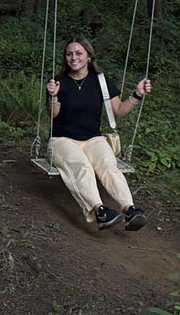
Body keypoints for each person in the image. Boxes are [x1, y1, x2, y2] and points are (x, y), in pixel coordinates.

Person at [46, 37, 152, 231]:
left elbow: (119, 110)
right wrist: (53, 96)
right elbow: (53, 115)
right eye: (69, 54)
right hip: (62, 140)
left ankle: (130, 209)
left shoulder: (100, 81)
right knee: (82, 167)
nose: (73, 58)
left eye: (79, 53)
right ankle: (99, 211)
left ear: (88, 57)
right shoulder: (58, 81)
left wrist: (137, 94)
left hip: (93, 138)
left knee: (109, 166)